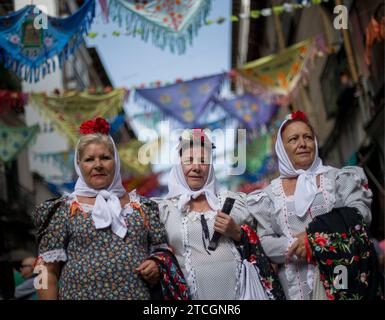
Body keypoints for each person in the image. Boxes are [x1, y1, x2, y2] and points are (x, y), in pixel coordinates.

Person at [31, 117, 188, 300]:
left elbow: (164, 254)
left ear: (116, 161)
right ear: (79, 164)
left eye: (105, 157)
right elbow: (44, 270)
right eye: (89, 159)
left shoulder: (143, 207)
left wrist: (156, 265)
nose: (98, 164)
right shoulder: (62, 210)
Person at [247, 111, 382, 300]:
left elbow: (361, 215)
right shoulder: (268, 196)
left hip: (344, 275)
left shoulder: (338, 178)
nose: (302, 144)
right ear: (281, 149)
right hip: (296, 287)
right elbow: (265, 242)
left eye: (308, 137)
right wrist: (295, 246)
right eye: (293, 139)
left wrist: (315, 240)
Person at [152, 129, 285, 300]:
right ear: (178, 165)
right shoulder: (165, 211)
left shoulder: (233, 202)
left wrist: (237, 233)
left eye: (203, 161)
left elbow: (266, 238)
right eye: (189, 161)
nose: (197, 167)